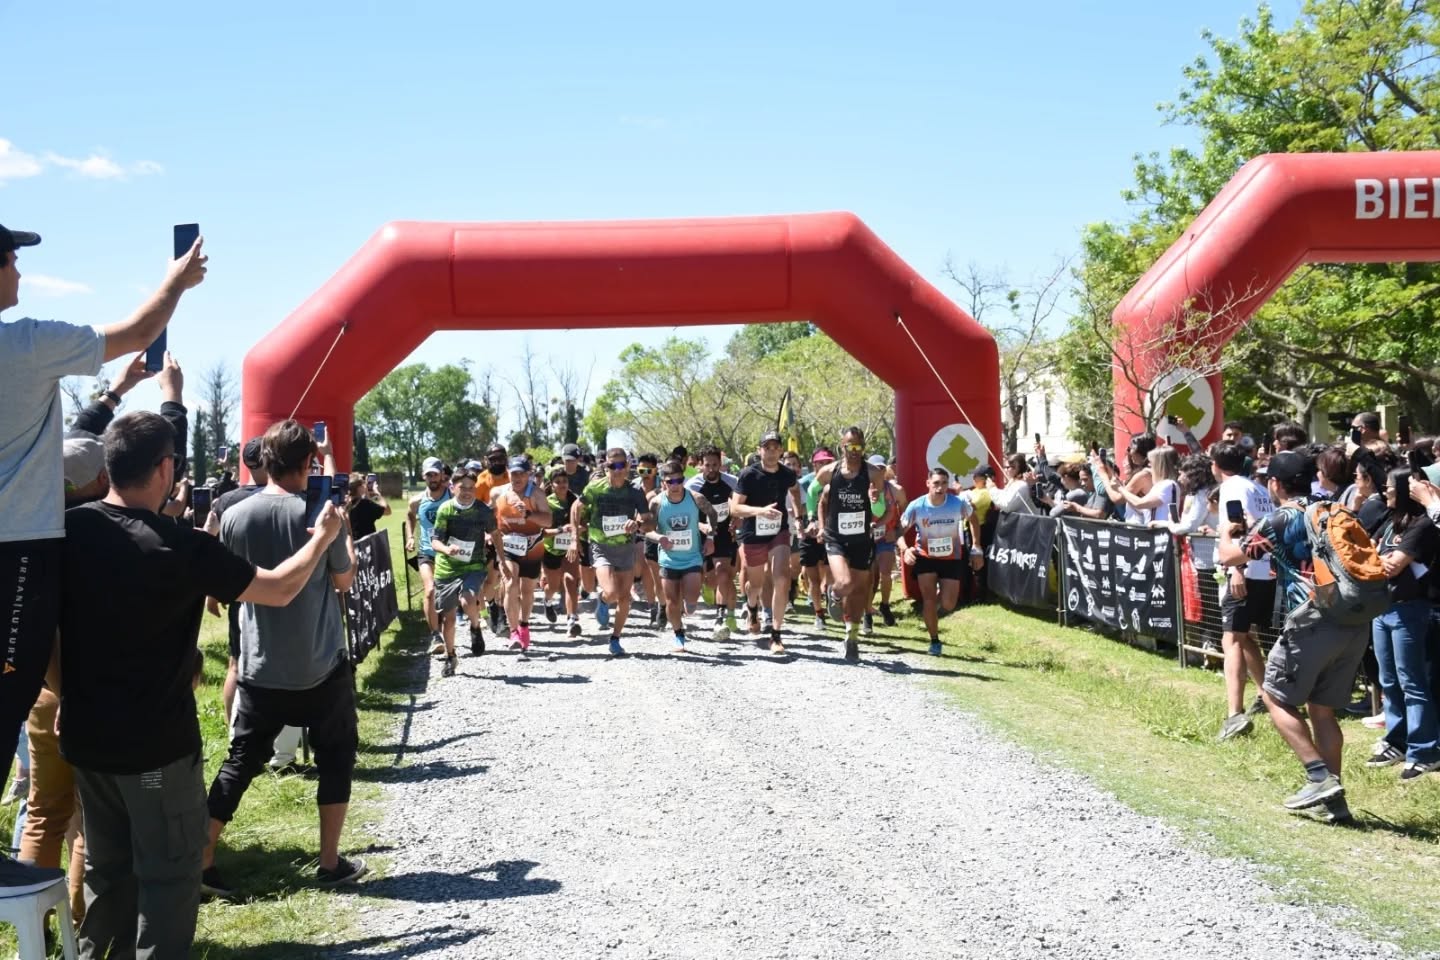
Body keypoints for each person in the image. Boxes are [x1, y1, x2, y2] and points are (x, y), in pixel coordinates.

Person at [56, 410, 343, 955]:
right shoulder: (179, 546)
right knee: (168, 875)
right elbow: (279, 589)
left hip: (85, 738)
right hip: (155, 747)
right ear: (165, 469)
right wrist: (322, 538)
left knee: (106, 872)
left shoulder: (69, 530)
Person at [0, 224, 206, 892]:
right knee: (9, 698)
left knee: (39, 788)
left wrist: (115, 393)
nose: (20, 273)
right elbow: (140, 329)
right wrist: (177, 280)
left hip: (23, 575)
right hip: (20, 564)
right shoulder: (24, 344)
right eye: (12, 259)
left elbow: (77, 437)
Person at [203, 419, 368, 896]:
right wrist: (343, 535)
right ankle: (330, 861)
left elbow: (228, 584)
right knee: (336, 757)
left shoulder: (235, 515)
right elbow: (344, 581)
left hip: (259, 662)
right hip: (321, 661)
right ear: (308, 462)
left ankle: (202, 860)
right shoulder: (322, 515)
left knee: (240, 762)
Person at [1217, 451, 1370, 821]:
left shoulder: (1280, 517)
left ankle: (1318, 777)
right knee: (1322, 710)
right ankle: (1335, 804)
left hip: (1311, 620)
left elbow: (1230, 557)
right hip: (1353, 619)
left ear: (1274, 483)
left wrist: (1227, 531)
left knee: (1274, 696)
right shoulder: (1331, 508)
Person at [1365, 469, 1440, 779]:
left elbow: (1392, 566)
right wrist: (1374, 558)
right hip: (1384, 607)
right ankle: (1396, 740)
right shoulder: (1390, 521)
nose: (1386, 491)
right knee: (1389, 680)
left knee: (1412, 682)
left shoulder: (1423, 524)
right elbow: (1368, 551)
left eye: (1391, 487)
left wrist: (1375, 559)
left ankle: (1424, 750)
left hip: (1410, 610)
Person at [1210, 442, 1276, 741]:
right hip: (1265, 571)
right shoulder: (1258, 488)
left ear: (1215, 465)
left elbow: (1239, 527)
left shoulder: (1231, 488)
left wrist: (1237, 568)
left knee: (1232, 640)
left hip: (1245, 570)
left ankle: (1234, 714)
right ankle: (1266, 695)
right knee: (1246, 636)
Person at [811, 428, 889, 660]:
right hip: (836, 537)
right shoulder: (829, 471)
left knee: (859, 590)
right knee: (844, 583)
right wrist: (815, 522)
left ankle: (851, 636)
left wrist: (875, 500)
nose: (855, 451)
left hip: (861, 538)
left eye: (859, 447)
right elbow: (813, 494)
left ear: (863, 447)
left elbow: (880, 508)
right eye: (850, 447)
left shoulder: (873, 472)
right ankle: (834, 593)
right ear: (842, 447)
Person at [730, 431, 804, 655]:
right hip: (753, 534)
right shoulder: (748, 475)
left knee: (782, 579)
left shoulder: (787, 474)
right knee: (756, 584)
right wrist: (760, 511)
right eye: (767, 447)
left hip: (778, 531)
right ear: (759, 450)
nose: (771, 452)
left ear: (781, 450)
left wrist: (798, 516)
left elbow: (795, 490)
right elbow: (735, 508)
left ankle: (776, 634)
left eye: (775, 448)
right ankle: (752, 607)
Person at [572, 447, 651, 656]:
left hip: (625, 548)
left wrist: (637, 523)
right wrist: (574, 539)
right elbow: (576, 508)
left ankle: (615, 638)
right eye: (612, 465)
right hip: (601, 546)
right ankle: (604, 599)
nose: (617, 470)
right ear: (605, 466)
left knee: (624, 598)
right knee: (612, 592)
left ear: (627, 466)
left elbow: (647, 518)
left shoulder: (634, 490)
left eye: (621, 465)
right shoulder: (596, 487)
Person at [900, 467, 985, 656]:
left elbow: (973, 519)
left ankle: (932, 614)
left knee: (949, 604)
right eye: (936, 483)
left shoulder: (957, 503)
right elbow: (898, 531)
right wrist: (905, 550)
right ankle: (934, 640)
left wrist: (976, 547)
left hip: (951, 558)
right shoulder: (917, 506)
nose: (940, 488)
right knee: (929, 599)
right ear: (928, 483)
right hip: (925, 558)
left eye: (944, 483)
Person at [431, 469, 500, 673]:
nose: (468, 492)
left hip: (473, 565)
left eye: (471, 487)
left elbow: (496, 534)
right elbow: (435, 540)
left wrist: (502, 560)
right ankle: (451, 656)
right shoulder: (445, 509)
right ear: (453, 488)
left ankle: (475, 627)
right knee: (449, 619)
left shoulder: (482, 510)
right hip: (447, 568)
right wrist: (447, 550)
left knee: (468, 598)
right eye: (463, 487)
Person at [647, 459, 718, 651]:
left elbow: (713, 514)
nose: (675, 485)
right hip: (668, 559)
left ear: (683, 480)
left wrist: (710, 537)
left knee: (692, 600)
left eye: (679, 480)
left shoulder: (695, 498)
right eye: (670, 482)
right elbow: (647, 530)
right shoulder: (656, 503)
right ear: (663, 482)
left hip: (692, 557)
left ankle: (690, 602)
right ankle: (678, 634)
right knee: (672, 601)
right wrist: (660, 538)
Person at [492, 456, 552, 654]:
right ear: (508, 473)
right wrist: (488, 533)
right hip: (507, 546)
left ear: (528, 474)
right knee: (510, 583)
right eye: (514, 473)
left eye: (521, 473)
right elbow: (489, 515)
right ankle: (513, 632)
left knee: (527, 590)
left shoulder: (536, 494)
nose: (517, 477)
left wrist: (528, 514)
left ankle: (524, 624)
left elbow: (548, 521)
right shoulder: (497, 493)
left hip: (532, 547)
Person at [686, 445, 739, 641]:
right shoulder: (692, 486)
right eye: (707, 465)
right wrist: (701, 527)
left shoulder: (732, 482)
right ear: (701, 465)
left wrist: (737, 519)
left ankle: (721, 618)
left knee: (723, 574)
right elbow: (685, 513)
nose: (711, 469)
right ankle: (708, 586)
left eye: (715, 465)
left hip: (724, 534)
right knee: (710, 579)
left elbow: (740, 504)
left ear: (720, 464)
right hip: (700, 534)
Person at [406, 457, 452, 656]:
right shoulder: (416, 501)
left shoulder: (452, 495)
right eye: (429, 475)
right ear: (423, 476)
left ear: (442, 475)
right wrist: (410, 536)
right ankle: (435, 635)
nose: (432, 478)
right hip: (426, 552)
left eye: (435, 474)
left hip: (449, 553)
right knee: (430, 590)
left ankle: (454, 627)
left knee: (449, 595)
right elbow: (409, 515)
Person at [541, 467, 581, 636]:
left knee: (571, 580)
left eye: (565, 481)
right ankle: (547, 600)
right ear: (552, 485)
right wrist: (560, 530)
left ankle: (572, 620)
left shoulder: (576, 501)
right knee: (553, 586)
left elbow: (585, 524)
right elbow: (541, 532)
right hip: (551, 550)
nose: (562, 484)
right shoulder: (546, 503)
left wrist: (577, 529)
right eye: (558, 482)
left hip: (570, 548)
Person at [346, 474, 390, 539]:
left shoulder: (344, 505)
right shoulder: (366, 505)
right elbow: (387, 511)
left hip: (350, 543)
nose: (365, 486)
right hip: (365, 544)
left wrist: (366, 493)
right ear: (359, 488)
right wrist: (377, 493)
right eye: (363, 484)